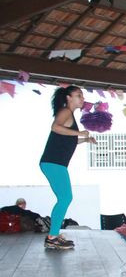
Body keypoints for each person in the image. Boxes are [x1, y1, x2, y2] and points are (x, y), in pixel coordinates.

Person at [39, 86, 96, 250]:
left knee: (64, 198)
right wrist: (80, 133)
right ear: (68, 98)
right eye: (78, 95)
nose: (82, 98)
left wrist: (84, 140)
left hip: (55, 163)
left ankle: (54, 234)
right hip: (53, 163)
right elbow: (55, 127)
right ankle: (52, 236)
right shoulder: (65, 111)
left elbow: (66, 139)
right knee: (65, 198)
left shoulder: (70, 116)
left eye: (82, 95)